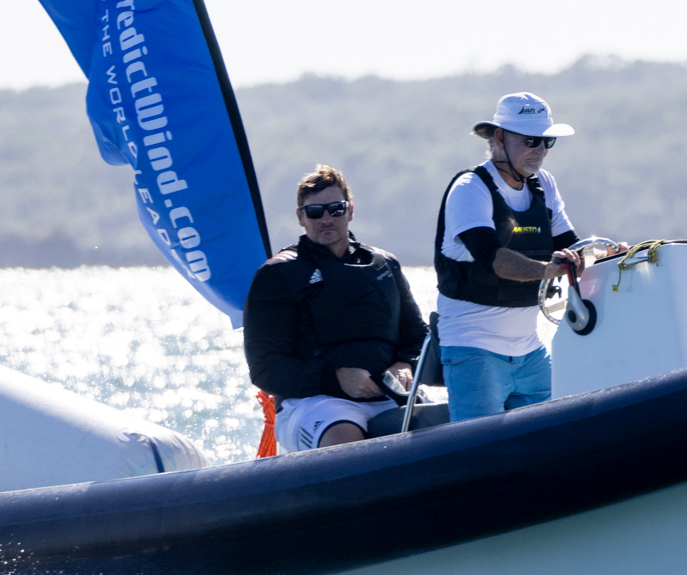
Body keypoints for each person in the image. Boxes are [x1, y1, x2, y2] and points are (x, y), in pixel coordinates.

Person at [432, 92, 593, 420]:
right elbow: (494, 259)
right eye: (532, 140)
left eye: (547, 142)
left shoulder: (544, 185)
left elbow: (571, 245)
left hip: (529, 350)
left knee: (549, 442)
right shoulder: (469, 189)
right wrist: (550, 271)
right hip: (472, 348)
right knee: (480, 450)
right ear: (500, 137)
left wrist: (607, 254)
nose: (541, 151)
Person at [245, 165, 426, 451]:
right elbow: (265, 369)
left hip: (389, 397)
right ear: (301, 217)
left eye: (336, 209)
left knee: (444, 422)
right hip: (315, 404)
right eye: (315, 212)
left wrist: (406, 364)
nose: (326, 219)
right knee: (344, 437)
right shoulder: (276, 275)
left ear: (350, 211)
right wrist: (336, 378)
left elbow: (418, 337)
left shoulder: (385, 265)